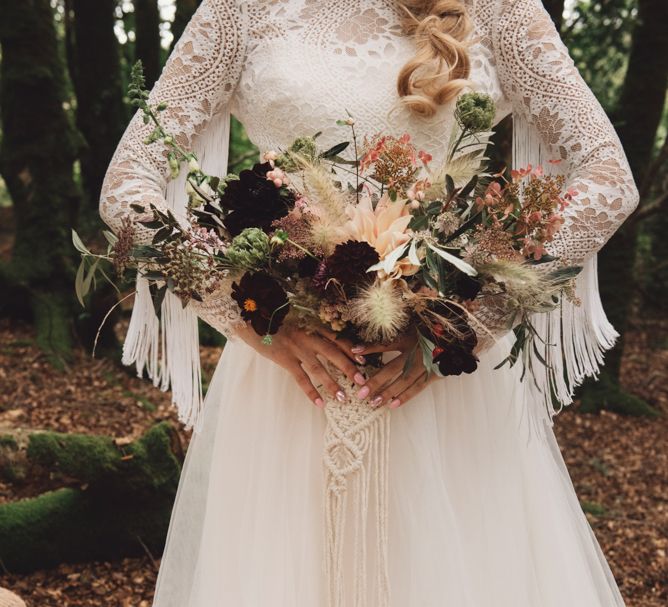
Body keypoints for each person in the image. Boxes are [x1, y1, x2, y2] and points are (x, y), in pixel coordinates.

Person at [99, 0, 638, 605]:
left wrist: (473, 322)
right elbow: (126, 189)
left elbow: (608, 175)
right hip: (293, 383)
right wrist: (249, 318)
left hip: (449, 385)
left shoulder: (499, 8)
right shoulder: (239, 10)